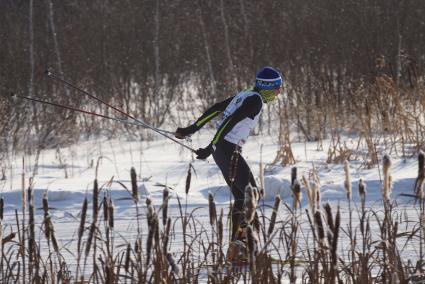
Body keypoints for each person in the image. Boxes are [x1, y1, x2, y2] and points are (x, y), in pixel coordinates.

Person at [175, 66, 283, 244]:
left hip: (223, 151)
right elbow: (230, 121)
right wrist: (212, 146)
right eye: (276, 88)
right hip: (227, 149)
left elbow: (218, 108)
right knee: (252, 195)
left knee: (243, 197)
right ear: (267, 87)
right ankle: (242, 242)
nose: (279, 92)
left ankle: (238, 245)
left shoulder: (247, 94)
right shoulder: (255, 101)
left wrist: (191, 129)